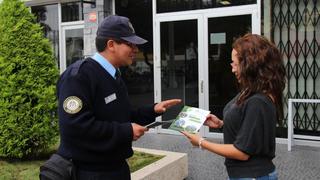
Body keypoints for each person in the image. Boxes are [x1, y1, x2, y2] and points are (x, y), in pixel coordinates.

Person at [56, 15, 181, 180]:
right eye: (130, 44)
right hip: (91, 172)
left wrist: (153, 110)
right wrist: (126, 131)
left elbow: (123, 116)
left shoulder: (114, 75)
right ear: (111, 45)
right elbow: (75, 126)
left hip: (116, 168)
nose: (135, 50)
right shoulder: (79, 76)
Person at [182, 34, 286, 180]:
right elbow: (249, 130)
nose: (232, 69)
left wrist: (201, 142)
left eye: (235, 64)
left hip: (253, 175)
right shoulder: (251, 91)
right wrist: (220, 124)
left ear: (250, 65)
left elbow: (242, 152)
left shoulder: (258, 101)